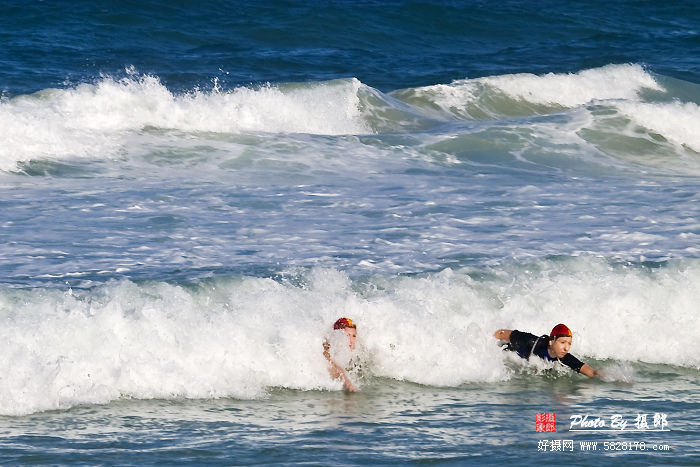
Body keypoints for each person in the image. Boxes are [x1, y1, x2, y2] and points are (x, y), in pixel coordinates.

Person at [493, 324, 601, 378]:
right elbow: (501, 333)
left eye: (569, 344)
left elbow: (590, 372)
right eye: (562, 342)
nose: (566, 348)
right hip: (505, 353)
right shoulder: (531, 341)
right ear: (551, 342)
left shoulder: (564, 358)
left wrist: (612, 376)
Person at [323, 317, 358, 392]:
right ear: (337, 336)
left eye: (354, 336)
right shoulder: (326, 348)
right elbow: (333, 367)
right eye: (347, 335)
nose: (351, 340)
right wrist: (347, 382)